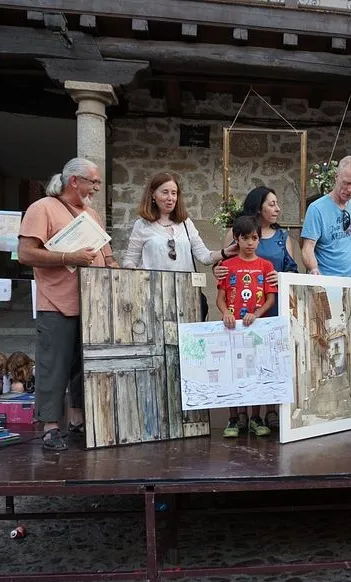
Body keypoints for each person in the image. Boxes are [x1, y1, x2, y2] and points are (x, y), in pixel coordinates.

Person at [18, 157, 118, 452]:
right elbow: (26, 253)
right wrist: (67, 258)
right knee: (54, 366)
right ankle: (50, 427)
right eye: (94, 182)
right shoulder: (41, 208)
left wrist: (113, 268)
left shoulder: (93, 215)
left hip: (92, 303)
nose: (97, 188)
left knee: (82, 366)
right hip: (56, 302)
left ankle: (77, 421)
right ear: (74, 180)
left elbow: (107, 255)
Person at [216, 186, 299, 431]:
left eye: (277, 203)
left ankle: (269, 411)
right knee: (241, 361)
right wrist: (216, 272)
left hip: (269, 307)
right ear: (258, 206)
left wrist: (281, 278)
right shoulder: (236, 231)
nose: (277, 208)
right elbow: (223, 268)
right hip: (239, 308)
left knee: (269, 360)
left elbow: (291, 271)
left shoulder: (282, 237)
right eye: (272, 204)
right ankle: (239, 414)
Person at [216, 215, 277, 438]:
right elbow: (220, 298)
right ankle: (233, 418)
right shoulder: (227, 266)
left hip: (257, 329)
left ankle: (255, 417)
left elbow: (270, 299)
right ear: (236, 239)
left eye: (254, 238)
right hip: (233, 330)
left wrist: (257, 314)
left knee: (256, 371)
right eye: (245, 238)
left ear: (259, 240)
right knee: (234, 372)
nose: (250, 243)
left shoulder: (265, 266)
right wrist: (226, 313)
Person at [121, 172, 236, 271]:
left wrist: (225, 252)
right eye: (165, 192)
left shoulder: (186, 223)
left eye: (174, 193)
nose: (170, 198)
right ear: (153, 195)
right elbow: (130, 260)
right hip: (152, 291)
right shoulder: (142, 225)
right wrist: (137, 273)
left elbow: (204, 256)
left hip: (184, 291)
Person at [301, 155, 351, 297]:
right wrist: (313, 270)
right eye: (346, 183)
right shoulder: (316, 209)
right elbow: (308, 247)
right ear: (336, 177)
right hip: (327, 286)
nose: (350, 189)